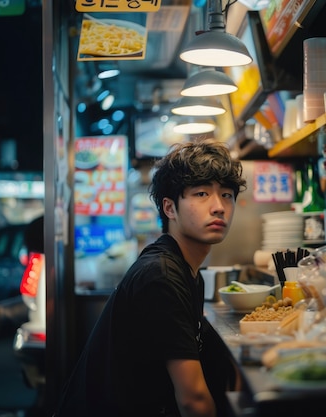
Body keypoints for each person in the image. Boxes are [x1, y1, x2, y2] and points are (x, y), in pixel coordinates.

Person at [54, 140, 247, 417]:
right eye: (202, 193)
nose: (219, 207)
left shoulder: (185, 270)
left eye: (227, 195)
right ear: (169, 208)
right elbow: (193, 400)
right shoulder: (161, 276)